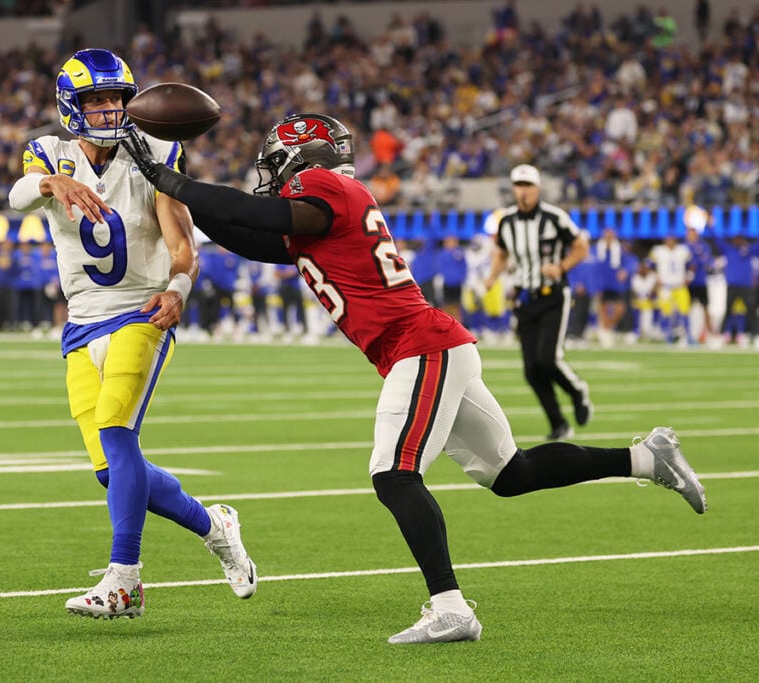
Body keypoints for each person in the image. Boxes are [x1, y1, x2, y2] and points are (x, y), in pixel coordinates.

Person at [120, 112, 708, 645]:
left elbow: (258, 213)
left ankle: (451, 608)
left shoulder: (324, 187)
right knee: (511, 474)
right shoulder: (319, 213)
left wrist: (175, 182)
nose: (271, 176)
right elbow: (249, 235)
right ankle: (644, 459)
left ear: (302, 159)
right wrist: (177, 196)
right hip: (433, 346)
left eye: (277, 164)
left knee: (393, 475)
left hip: (421, 348)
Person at [7, 48, 256, 620]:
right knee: (109, 468)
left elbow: (182, 245)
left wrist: (178, 290)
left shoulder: (157, 152)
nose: (109, 108)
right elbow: (16, 195)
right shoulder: (50, 153)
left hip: (140, 309)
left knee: (118, 433)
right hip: (80, 318)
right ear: (72, 104)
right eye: (96, 99)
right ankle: (213, 525)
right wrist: (50, 184)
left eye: (117, 97)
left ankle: (125, 580)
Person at [484, 165, 592, 441]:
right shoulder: (506, 221)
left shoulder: (555, 217)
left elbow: (581, 246)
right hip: (524, 298)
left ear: (537, 188)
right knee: (532, 370)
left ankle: (577, 390)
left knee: (547, 358)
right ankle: (558, 423)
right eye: (518, 185)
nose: (523, 191)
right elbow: (502, 252)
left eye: (528, 185)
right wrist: (492, 276)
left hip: (553, 295)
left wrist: (562, 266)